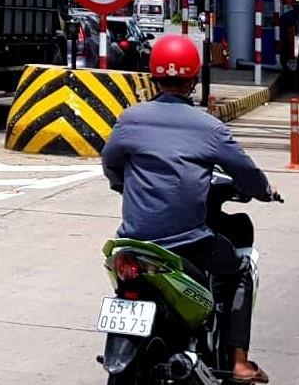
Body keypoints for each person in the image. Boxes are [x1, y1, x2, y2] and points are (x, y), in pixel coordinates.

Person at [102, 34, 275, 384]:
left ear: (153, 76)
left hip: (133, 243)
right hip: (187, 243)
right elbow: (246, 172)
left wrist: (123, 185)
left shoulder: (130, 119)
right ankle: (239, 363)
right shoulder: (208, 127)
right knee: (238, 269)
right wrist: (265, 190)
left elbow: (111, 164)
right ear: (194, 79)